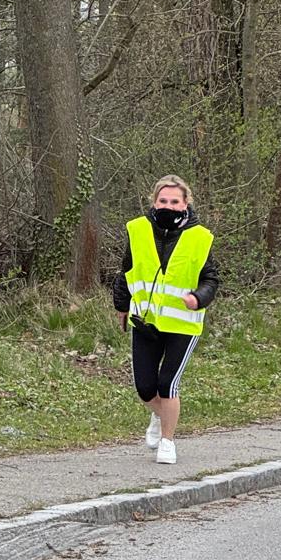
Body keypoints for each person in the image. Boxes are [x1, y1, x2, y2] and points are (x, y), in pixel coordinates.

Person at [111, 174, 219, 465]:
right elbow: (126, 271)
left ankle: (168, 442)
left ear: (185, 204)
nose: (168, 206)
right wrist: (121, 306)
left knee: (167, 384)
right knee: (145, 388)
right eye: (163, 200)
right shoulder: (138, 230)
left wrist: (198, 298)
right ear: (154, 202)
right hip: (145, 320)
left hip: (183, 323)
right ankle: (161, 417)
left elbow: (211, 279)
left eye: (174, 201)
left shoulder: (200, 237)